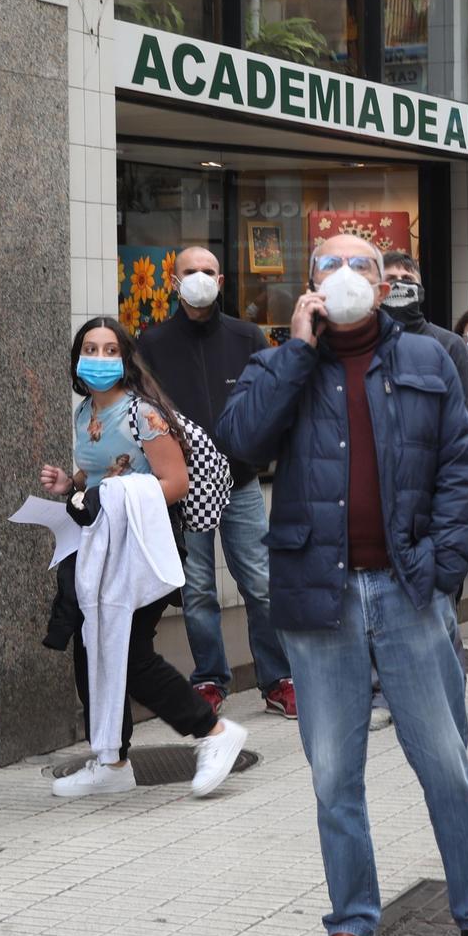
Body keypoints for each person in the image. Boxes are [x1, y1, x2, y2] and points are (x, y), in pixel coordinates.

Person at [214, 234, 468, 936]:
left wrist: (446, 567)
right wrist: (295, 350)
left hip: (407, 590)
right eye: (330, 266)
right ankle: (351, 922)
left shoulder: (426, 360)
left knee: (445, 763)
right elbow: (241, 442)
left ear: (384, 286)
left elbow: (458, 464)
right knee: (332, 776)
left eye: (362, 267)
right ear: (310, 284)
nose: (346, 277)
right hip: (318, 597)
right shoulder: (278, 361)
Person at [37, 317, 249, 804]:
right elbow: (97, 474)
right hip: (96, 546)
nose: (98, 358)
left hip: (141, 547)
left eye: (110, 350)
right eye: (89, 348)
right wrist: (71, 485)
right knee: (90, 648)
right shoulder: (84, 412)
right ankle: (111, 760)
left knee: (130, 654)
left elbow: (175, 483)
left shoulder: (144, 415)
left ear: (126, 359)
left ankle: (213, 733)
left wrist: (111, 493)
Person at [137, 246, 293, 719]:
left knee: (261, 583)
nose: (200, 278)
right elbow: (142, 408)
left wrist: (258, 453)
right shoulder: (152, 341)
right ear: (172, 281)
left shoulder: (247, 336)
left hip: (241, 480)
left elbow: (271, 401)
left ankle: (277, 679)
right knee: (199, 588)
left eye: (208, 270)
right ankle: (209, 677)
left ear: (221, 280)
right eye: (190, 271)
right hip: (186, 486)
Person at [382, 252, 468, 424]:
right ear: (379, 289)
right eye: (391, 278)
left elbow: (464, 416)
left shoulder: (450, 344)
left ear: (420, 289)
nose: (399, 283)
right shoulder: (366, 342)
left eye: (407, 278)